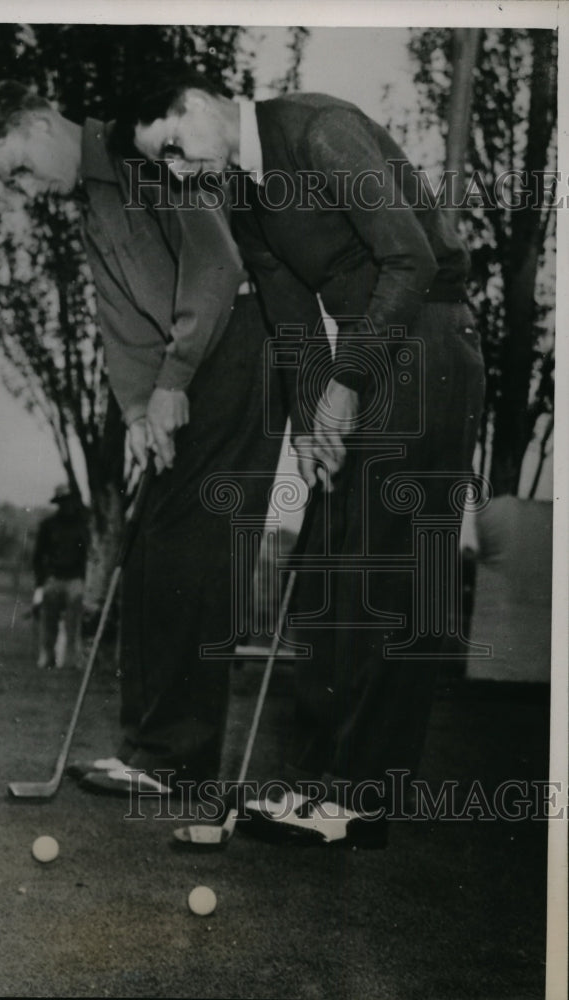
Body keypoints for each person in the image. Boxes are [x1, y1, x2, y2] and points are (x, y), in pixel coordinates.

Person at [124, 66, 486, 844]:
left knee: (385, 578)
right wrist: (310, 425)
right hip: (371, 353)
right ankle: (324, 786)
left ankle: (360, 799)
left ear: (199, 107)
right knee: (325, 569)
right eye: (166, 165)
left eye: (178, 149)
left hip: (426, 344)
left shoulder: (318, 130)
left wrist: (347, 382)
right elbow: (291, 320)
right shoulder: (247, 193)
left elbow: (411, 259)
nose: (180, 171)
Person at [0, 82, 285, 791]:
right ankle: (149, 752)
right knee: (154, 555)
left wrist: (171, 384)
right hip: (189, 369)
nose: (23, 190)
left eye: (18, 167)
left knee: (197, 557)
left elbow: (216, 265)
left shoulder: (140, 152)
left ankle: (177, 760)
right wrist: (140, 413)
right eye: (7, 182)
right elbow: (122, 322)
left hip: (239, 351)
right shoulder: (90, 203)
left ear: (44, 122)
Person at [32, 483, 90, 670]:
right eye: (62, 502)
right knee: (48, 619)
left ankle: (73, 659)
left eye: (68, 501)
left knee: (75, 619)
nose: (66, 506)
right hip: (55, 577)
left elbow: (89, 555)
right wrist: (41, 582)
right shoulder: (48, 526)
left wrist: (85, 579)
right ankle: (47, 657)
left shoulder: (82, 526)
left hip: (75, 579)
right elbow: (38, 556)